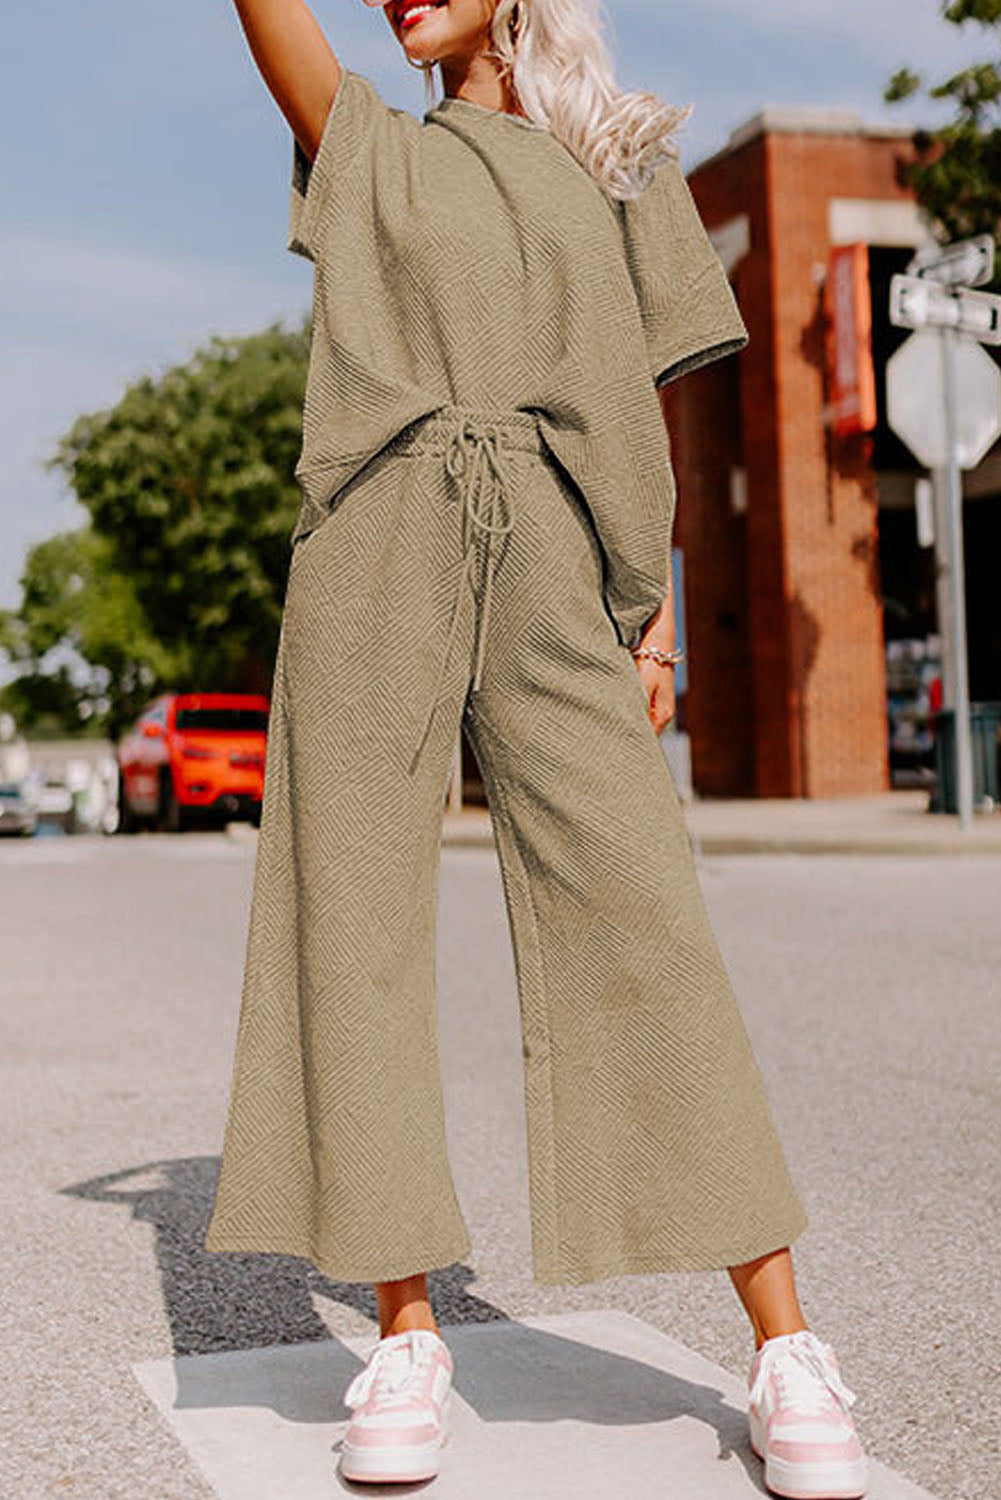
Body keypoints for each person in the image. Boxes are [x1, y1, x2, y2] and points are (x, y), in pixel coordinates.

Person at [204, 1, 868, 1494]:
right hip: (375, 535)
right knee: (350, 920)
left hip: (562, 557)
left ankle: (782, 1343)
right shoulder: (369, 145)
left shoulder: (619, 162)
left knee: (642, 925)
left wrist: (648, 614)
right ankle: (405, 1326)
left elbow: (639, 406)